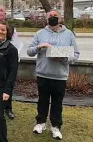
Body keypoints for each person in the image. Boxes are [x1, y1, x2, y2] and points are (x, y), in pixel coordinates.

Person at [27, 10, 79, 140]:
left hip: (60, 75)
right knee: (42, 100)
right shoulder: (40, 34)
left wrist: (64, 59)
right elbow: (29, 51)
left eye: (55, 16)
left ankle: (56, 126)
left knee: (57, 102)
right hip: (43, 74)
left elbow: (76, 54)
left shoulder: (69, 34)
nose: (52, 18)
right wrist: (39, 47)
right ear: (46, 19)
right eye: (50, 16)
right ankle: (40, 123)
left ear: (60, 18)